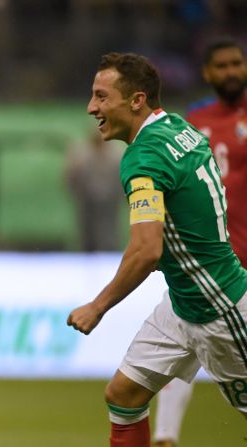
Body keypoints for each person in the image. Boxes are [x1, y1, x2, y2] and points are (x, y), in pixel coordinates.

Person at [67, 52, 247, 447]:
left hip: (219, 308)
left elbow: (146, 251)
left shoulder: (143, 158)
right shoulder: (177, 127)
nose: (91, 107)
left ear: (136, 100)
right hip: (183, 304)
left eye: (101, 96)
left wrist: (97, 306)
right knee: (124, 395)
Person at [151, 37, 247, 447]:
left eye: (236, 64)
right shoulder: (192, 122)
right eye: (221, 66)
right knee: (177, 352)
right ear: (207, 74)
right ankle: (165, 437)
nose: (231, 72)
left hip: (239, 268)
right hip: (209, 264)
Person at [65, 128, 124, 252]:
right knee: (87, 234)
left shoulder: (116, 155)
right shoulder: (80, 154)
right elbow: (71, 176)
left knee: (109, 232)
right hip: (87, 200)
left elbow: (121, 178)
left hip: (109, 202)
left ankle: (109, 258)